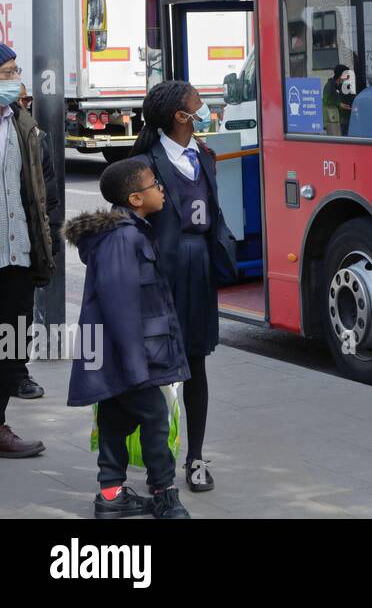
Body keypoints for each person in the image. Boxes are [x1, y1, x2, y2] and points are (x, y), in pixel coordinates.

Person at [64, 158, 191, 519]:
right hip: (129, 357)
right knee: (154, 418)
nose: (161, 189)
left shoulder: (127, 232)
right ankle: (165, 492)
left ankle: (111, 495)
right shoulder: (123, 238)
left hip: (119, 355)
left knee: (115, 420)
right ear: (136, 198)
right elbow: (119, 306)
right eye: (154, 184)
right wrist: (137, 366)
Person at [130, 80, 236, 492]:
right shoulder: (145, 163)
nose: (205, 107)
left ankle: (195, 458)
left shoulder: (204, 156)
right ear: (180, 115)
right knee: (156, 368)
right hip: (159, 273)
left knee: (196, 364)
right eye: (198, 102)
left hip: (199, 270)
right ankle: (158, 463)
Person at [0, 44, 54, 459]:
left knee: (12, 344)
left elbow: (37, 190)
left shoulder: (22, 123)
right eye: (8, 71)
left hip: (17, 255)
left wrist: (44, 243)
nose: (15, 79)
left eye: (16, 70)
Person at [13, 83, 62, 401]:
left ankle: (17, 373)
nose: (24, 102)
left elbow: (48, 195)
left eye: (26, 98)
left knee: (18, 314)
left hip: (20, 243)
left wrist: (49, 238)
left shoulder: (32, 134)